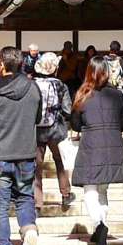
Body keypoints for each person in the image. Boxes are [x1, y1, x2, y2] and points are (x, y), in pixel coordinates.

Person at [0, 45, 43, 245]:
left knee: (0, 202)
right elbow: (38, 117)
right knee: (25, 196)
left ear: (1, 64)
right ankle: (28, 229)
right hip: (26, 152)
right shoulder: (33, 88)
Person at [71, 55, 123, 245]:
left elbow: (76, 124)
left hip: (91, 144)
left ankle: (99, 224)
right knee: (103, 189)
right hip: (113, 142)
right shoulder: (118, 94)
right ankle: (101, 223)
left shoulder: (82, 94)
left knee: (90, 190)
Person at [33, 51, 75, 204]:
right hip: (56, 129)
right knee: (59, 161)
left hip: (36, 130)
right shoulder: (60, 85)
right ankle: (65, 193)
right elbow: (68, 110)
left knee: (36, 166)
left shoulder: (32, 85)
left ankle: (37, 201)